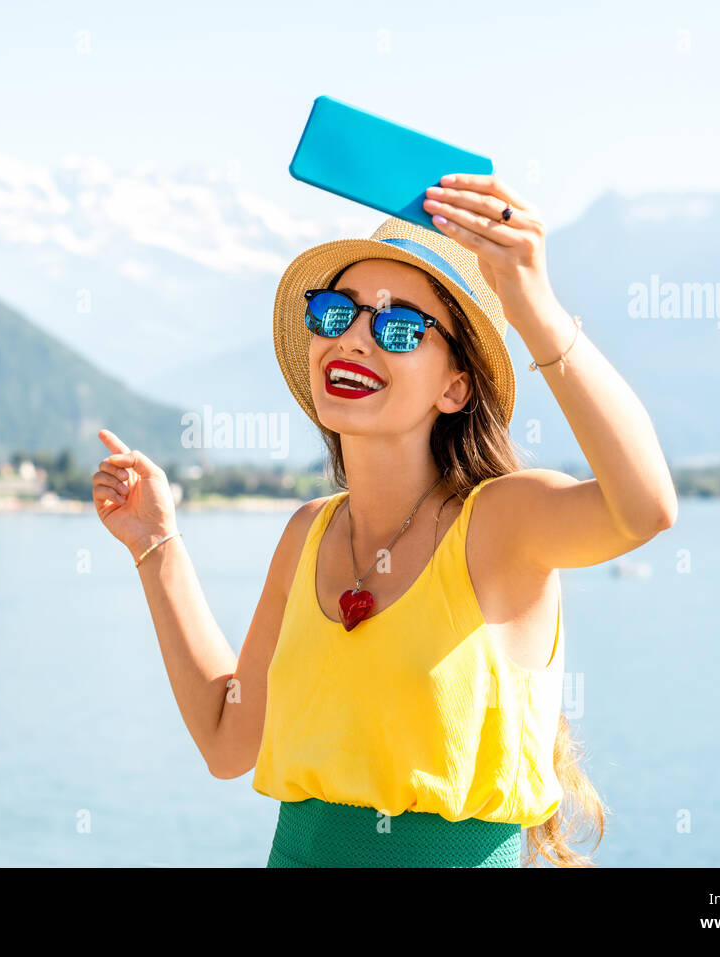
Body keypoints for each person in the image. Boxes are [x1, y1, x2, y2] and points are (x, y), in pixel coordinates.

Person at [92, 173, 677, 867]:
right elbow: (227, 737)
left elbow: (644, 507)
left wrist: (536, 307)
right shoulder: (306, 534)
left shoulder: (499, 523)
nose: (356, 339)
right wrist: (155, 543)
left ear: (456, 385)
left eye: (399, 326)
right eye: (337, 313)